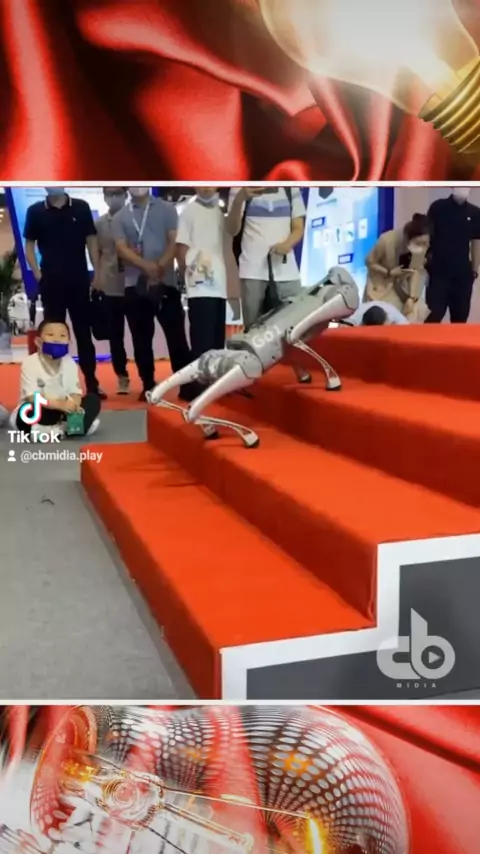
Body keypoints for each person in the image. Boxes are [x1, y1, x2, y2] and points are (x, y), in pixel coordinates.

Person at [112, 188, 194, 402]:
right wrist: (146, 266)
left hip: (166, 283)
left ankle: (185, 384)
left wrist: (159, 266)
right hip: (135, 286)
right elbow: (121, 248)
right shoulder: (121, 216)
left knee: (177, 337)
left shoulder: (167, 209)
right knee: (141, 340)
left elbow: (174, 241)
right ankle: (148, 384)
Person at [23, 188, 105, 397]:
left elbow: (91, 241)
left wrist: (97, 272)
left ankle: (91, 383)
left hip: (78, 281)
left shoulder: (81, 207)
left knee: (83, 335)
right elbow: (29, 246)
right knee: (53, 337)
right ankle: (54, 386)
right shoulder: (35, 211)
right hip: (51, 283)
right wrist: (38, 274)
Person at [226, 186, 306, 329]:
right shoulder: (239, 186)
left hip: (287, 272)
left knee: (293, 328)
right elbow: (232, 230)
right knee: (254, 331)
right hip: (252, 272)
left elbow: (298, 227)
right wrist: (240, 198)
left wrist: (287, 244)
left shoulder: (290, 187)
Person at [176, 187, 241, 361]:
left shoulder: (220, 213)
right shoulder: (188, 211)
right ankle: (200, 377)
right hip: (199, 288)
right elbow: (181, 249)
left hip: (220, 287)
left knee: (217, 343)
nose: (206, 187)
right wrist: (187, 278)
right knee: (202, 343)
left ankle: (214, 377)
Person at [11, 319, 101, 439]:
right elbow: (32, 397)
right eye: (50, 334)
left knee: (93, 400)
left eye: (62, 335)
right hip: (43, 408)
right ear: (38, 342)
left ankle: (57, 428)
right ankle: (67, 428)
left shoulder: (70, 363)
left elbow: (75, 393)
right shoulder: (30, 363)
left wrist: (74, 406)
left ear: (68, 342)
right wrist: (59, 405)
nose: (57, 339)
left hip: (63, 411)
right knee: (27, 411)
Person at [424, 187, 480, 323]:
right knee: (433, 316)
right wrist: (424, 262)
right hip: (439, 272)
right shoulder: (438, 207)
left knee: (460, 318)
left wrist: (474, 270)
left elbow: (476, 241)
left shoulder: (475, 212)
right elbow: (426, 235)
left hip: (462, 274)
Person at [96, 187, 131, 394]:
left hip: (133, 283)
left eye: (118, 193)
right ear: (104, 197)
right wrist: (98, 277)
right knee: (115, 335)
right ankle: (122, 375)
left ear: (126, 195)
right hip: (110, 285)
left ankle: (147, 376)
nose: (114, 197)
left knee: (140, 334)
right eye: (109, 194)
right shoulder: (100, 224)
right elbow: (97, 253)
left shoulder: (135, 219)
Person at [364, 214, 431, 322]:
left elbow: (415, 271)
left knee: (415, 310)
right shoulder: (386, 240)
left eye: (426, 244)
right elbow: (369, 262)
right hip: (381, 285)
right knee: (386, 315)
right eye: (420, 243)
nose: (423, 247)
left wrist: (411, 297)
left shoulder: (419, 250)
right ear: (408, 239)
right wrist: (389, 272)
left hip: (403, 285)